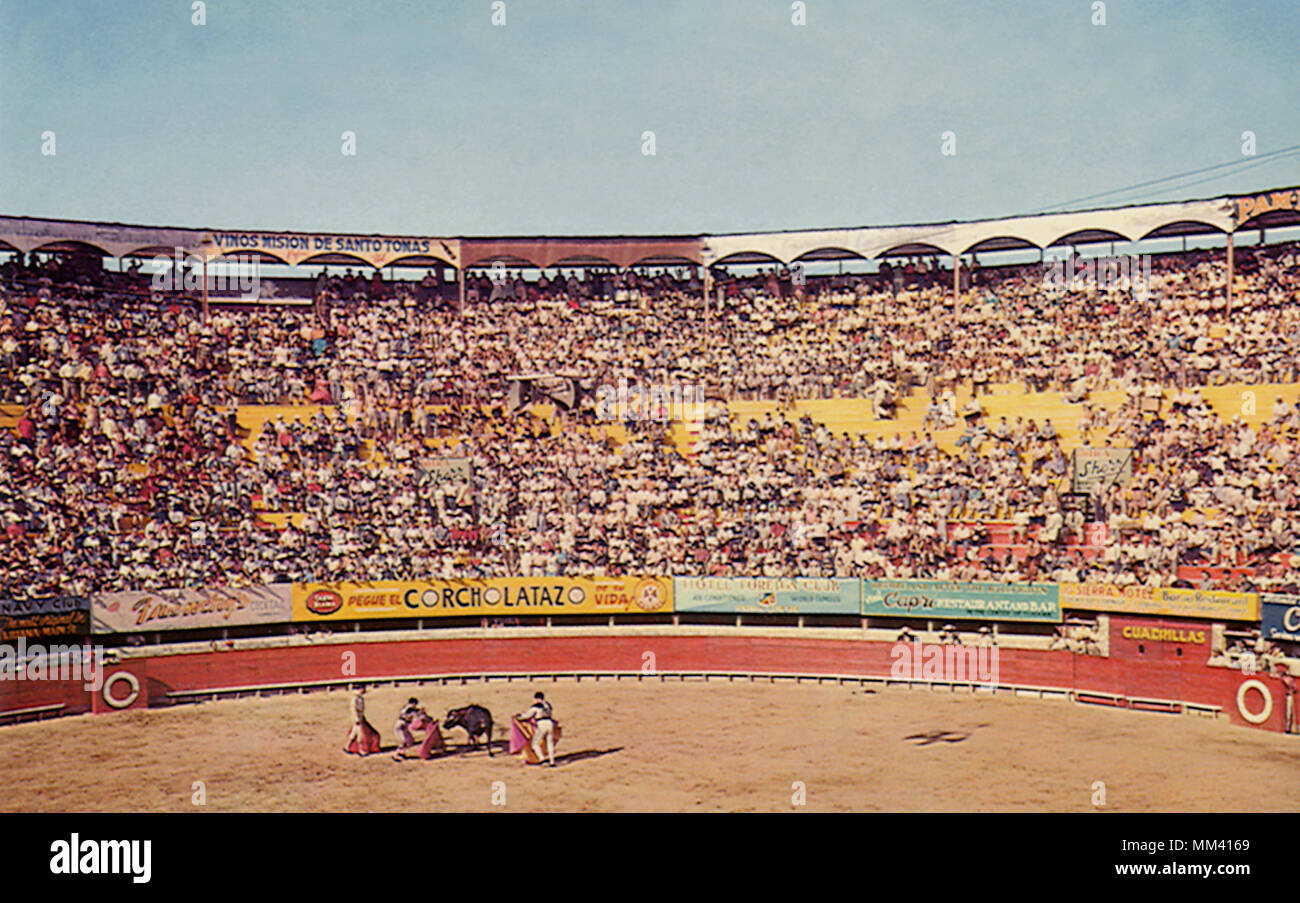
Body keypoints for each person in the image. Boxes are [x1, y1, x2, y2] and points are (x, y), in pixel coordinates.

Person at [517, 691, 557, 767]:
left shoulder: (536, 706)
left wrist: (519, 717)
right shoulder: (548, 705)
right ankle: (552, 761)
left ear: (537, 699)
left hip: (542, 724)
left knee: (534, 743)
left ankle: (542, 759)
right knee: (550, 742)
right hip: (550, 723)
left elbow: (527, 716)